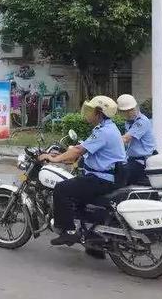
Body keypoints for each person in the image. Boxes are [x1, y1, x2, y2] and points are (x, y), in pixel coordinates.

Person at [38, 96, 126, 247]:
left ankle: (69, 232)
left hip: (102, 178)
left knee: (62, 189)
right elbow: (83, 148)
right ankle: (91, 235)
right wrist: (64, 155)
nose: (88, 113)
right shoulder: (107, 128)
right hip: (108, 176)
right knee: (77, 196)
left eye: (91, 111)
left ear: (99, 113)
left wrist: (54, 159)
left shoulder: (103, 132)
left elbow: (79, 150)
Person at [117, 94, 156, 185]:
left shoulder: (141, 122)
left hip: (143, 162)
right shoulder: (129, 121)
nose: (130, 113)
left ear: (136, 107)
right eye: (126, 111)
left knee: (119, 178)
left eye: (131, 110)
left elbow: (126, 138)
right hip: (133, 160)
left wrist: (107, 145)